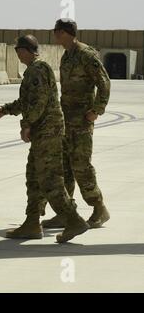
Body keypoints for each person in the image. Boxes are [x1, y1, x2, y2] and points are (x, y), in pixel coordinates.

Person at [0, 35, 89, 243]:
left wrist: (26, 124)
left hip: (47, 132)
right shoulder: (36, 70)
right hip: (43, 132)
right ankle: (32, 223)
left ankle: (74, 220)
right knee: (34, 177)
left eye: (18, 51)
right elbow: (27, 100)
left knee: (50, 180)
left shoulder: (37, 69)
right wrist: (5, 110)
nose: (18, 55)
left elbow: (38, 103)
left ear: (25, 50)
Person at [43, 19, 111, 229]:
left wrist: (97, 110)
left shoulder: (86, 54)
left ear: (66, 33)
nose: (54, 35)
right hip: (66, 119)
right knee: (64, 167)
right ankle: (67, 213)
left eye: (57, 32)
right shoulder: (68, 55)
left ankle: (99, 208)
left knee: (81, 165)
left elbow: (104, 82)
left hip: (81, 120)